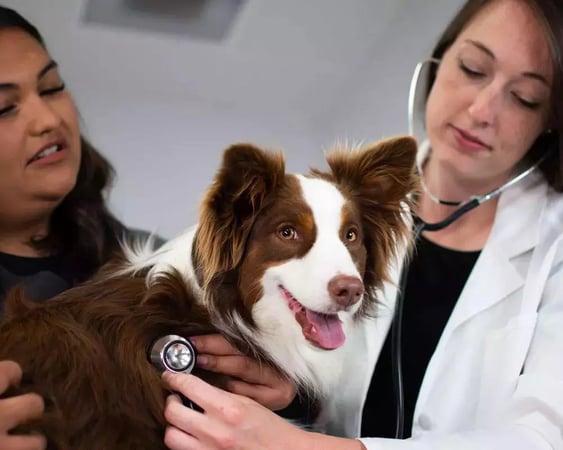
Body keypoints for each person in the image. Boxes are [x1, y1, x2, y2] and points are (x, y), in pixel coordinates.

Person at [159, 0, 563, 449]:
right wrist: (292, 395)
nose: (482, 110)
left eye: (525, 98)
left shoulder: (555, 248)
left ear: (550, 121)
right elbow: (325, 392)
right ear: (438, 60)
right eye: (472, 68)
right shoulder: (351, 205)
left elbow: (545, 435)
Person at [0, 6, 297, 448]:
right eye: (5, 108)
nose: (48, 119)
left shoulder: (165, 270)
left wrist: (283, 395)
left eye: (52, 87)